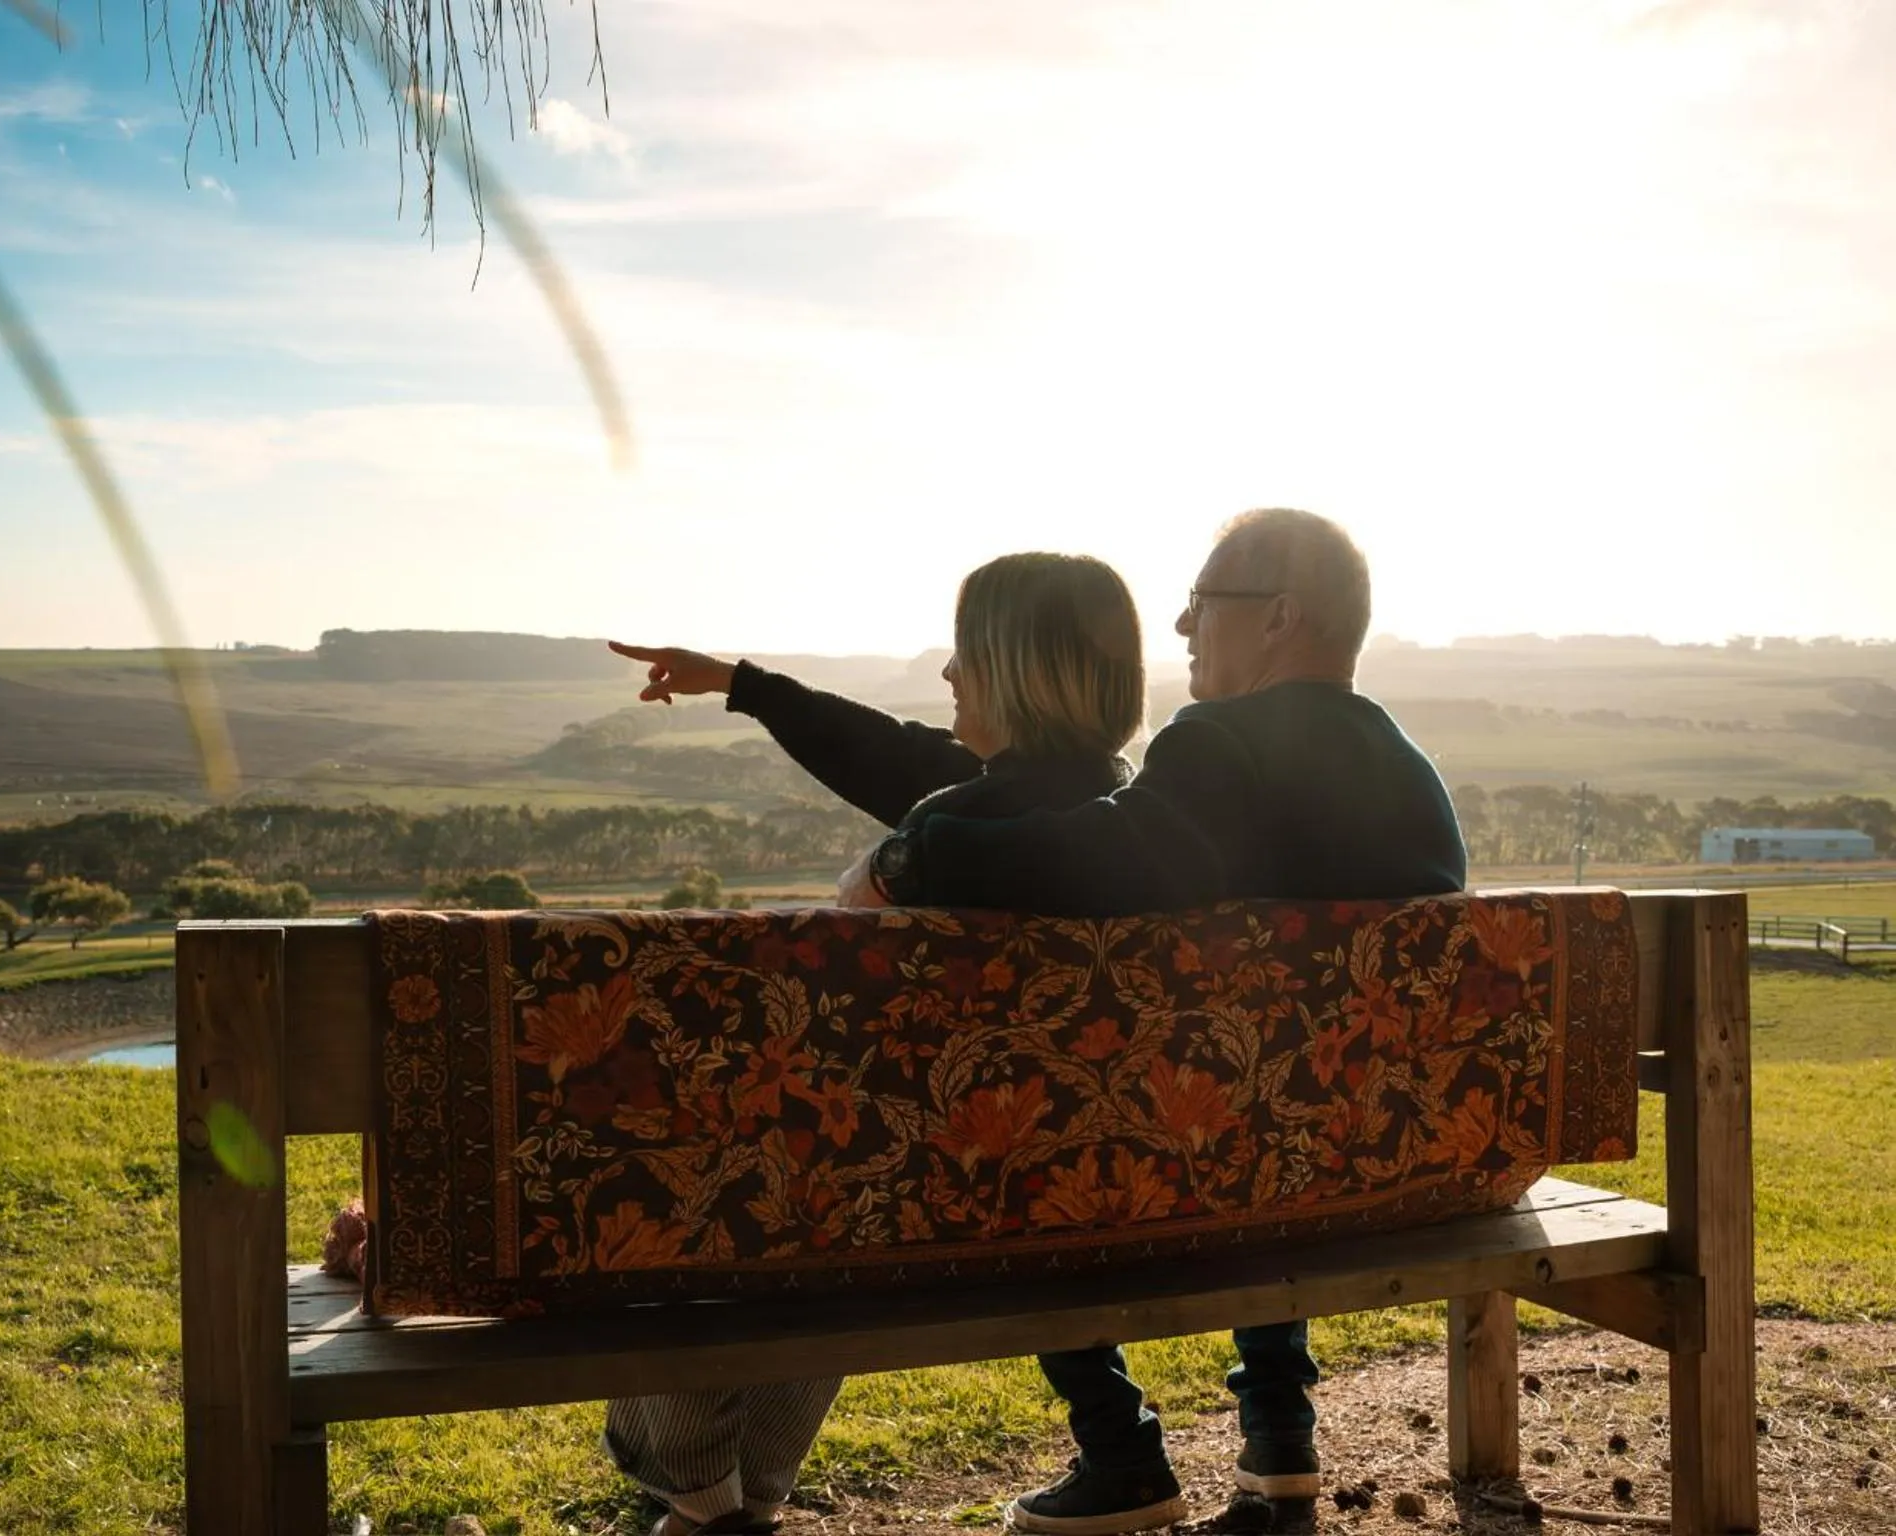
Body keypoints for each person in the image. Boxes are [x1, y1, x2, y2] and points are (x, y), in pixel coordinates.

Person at [847, 509, 1466, 1535]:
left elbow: (1116, 859)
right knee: (1276, 1090)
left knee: (1028, 1138)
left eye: (1202, 604)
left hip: (1221, 1171)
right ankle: (1279, 1449)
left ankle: (1122, 1451)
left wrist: (911, 858)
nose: (1180, 626)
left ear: (1279, 618)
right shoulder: (1413, 776)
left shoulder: (1223, 743)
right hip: (1402, 1162)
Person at [603, 550, 1153, 1536]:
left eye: (966, 653)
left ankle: (701, 1496)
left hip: (909, 1214)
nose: (945, 674)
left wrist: (885, 860)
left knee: (715, 1184)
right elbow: (897, 756)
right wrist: (744, 686)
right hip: (1090, 1195)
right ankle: (734, 1504)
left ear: (1020, 669)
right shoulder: (1139, 824)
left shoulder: (948, 837)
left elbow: (910, 810)